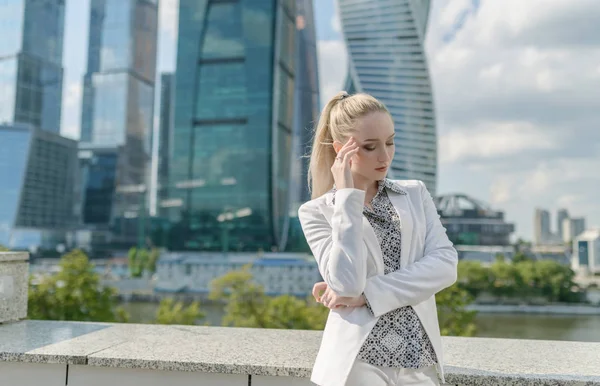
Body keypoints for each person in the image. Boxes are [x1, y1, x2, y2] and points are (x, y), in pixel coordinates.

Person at [298, 91, 458, 386]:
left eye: (390, 142)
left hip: (418, 359)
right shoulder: (316, 212)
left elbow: (446, 265)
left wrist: (368, 295)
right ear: (340, 149)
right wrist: (347, 198)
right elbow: (347, 283)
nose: (384, 156)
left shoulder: (414, 193)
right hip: (357, 363)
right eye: (370, 147)